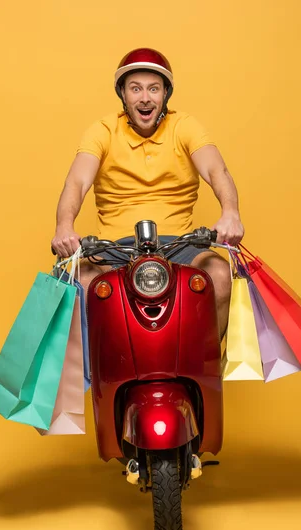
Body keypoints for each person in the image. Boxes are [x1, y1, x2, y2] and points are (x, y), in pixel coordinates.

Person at [51, 48, 245, 337]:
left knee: (219, 274)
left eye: (153, 89)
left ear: (165, 93)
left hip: (180, 246)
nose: (145, 98)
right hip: (113, 248)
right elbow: (76, 183)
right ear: (123, 95)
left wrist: (230, 212)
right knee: (81, 280)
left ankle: (204, 367)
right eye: (136, 89)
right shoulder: (102, 130)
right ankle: (102, 375)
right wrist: (64, 226)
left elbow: (218, 171)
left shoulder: (185, 126)